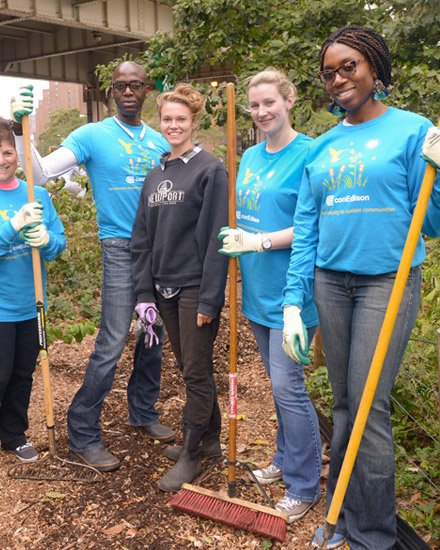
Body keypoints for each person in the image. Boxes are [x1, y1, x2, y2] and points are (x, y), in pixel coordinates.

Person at [282, 25, 440, 550]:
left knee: (369, 406)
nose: (338, 78)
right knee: (347, 403)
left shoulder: (414, 130)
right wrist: (290, 304)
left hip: (386, 282)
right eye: (329, 72)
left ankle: (372, 537)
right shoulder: (322, 147)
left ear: (374, 67)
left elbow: (431, 221)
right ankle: (347, 518)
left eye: (349, 66)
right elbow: (307, 230)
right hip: (331, 281)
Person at [10, 61, 175, 473]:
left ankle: (143, 410)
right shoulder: (90, 135)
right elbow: (43, 173)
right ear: (111, 92)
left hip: (160, 250)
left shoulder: (160, 142)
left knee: (153, 332)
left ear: (146, 91)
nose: (129, 92)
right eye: (121, 86)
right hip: (119, 247)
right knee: (114, 340)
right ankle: (83, 429)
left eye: (136, 85)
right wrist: (19, 126)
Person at [217, 69, 321, 522]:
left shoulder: (311, 153)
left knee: (288, 388)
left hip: (293, 295)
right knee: (280, 390)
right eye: (254, 106)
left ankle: (304, 485)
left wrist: (258, 242)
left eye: (269, 103)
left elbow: (315, 227)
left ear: (289, 100)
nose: (261, 112)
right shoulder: (252, 156)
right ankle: (284, 460)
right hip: (255, 291)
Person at [131, 83, 228, 492]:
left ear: (194, 121)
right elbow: (141, 238)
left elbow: (215, 240)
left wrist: (210, 297)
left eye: (181, 119)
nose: (173, 125)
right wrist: (142, 294)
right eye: (167, 119)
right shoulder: (156, 173)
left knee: (196, 372)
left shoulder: (211, 169)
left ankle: (191, 454)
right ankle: (210, 441)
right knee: (191, 368)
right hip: (163, 288)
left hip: (193, 287)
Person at [0, 117, 66, 463]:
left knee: (22, 372)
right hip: (0, 307)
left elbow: (59, 244)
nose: (2, 159)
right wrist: (12, 225)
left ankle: (13, 434)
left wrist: (46, 240)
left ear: (17, 153)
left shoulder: (36, 194)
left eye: (8, 151)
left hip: (31, 303)